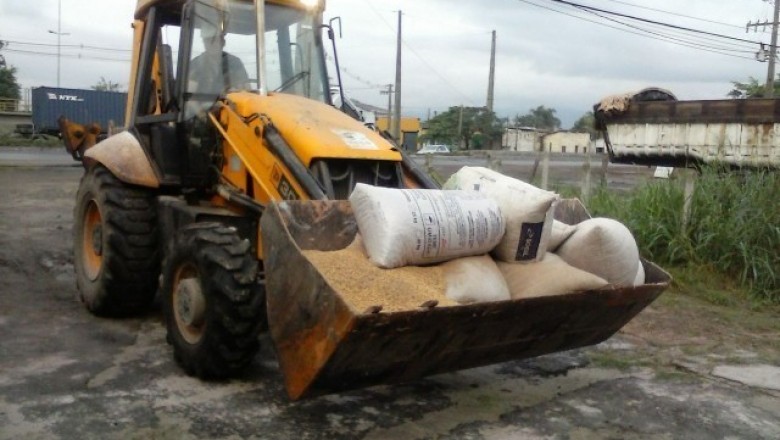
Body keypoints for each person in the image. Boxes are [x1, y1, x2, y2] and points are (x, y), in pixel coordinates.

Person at [188, 21, 250, 95]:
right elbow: (189, 97)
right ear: (204, 43)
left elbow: (247, 90)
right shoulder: (196, 64)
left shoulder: (234, 63)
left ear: (223, 42)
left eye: (215, 40)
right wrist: (200, 106)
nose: (212, 44)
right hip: (202, 105)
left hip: (229, 104)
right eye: (208, 41)